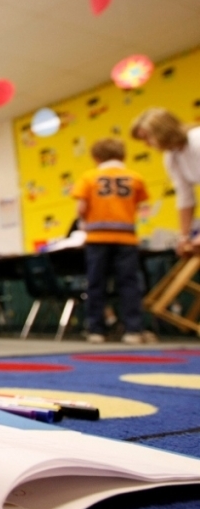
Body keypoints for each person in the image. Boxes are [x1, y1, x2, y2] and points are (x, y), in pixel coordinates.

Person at [71, 138, 149, 344]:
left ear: (96, 157)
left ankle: (96, 330)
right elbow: (139, 203)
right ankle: (133, 330)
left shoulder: (89, 177)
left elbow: (80, 208)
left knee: (96, 283)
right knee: (129, 283)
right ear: (124, 155)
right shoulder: (135, 177)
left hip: (97, 238)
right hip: (127, 238)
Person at [130, 108, 200, 255]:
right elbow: (185, 198)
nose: (147, 144)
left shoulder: (197, 140)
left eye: (147, 138)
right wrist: (184, 237)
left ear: (162, 131)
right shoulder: (172, 157)